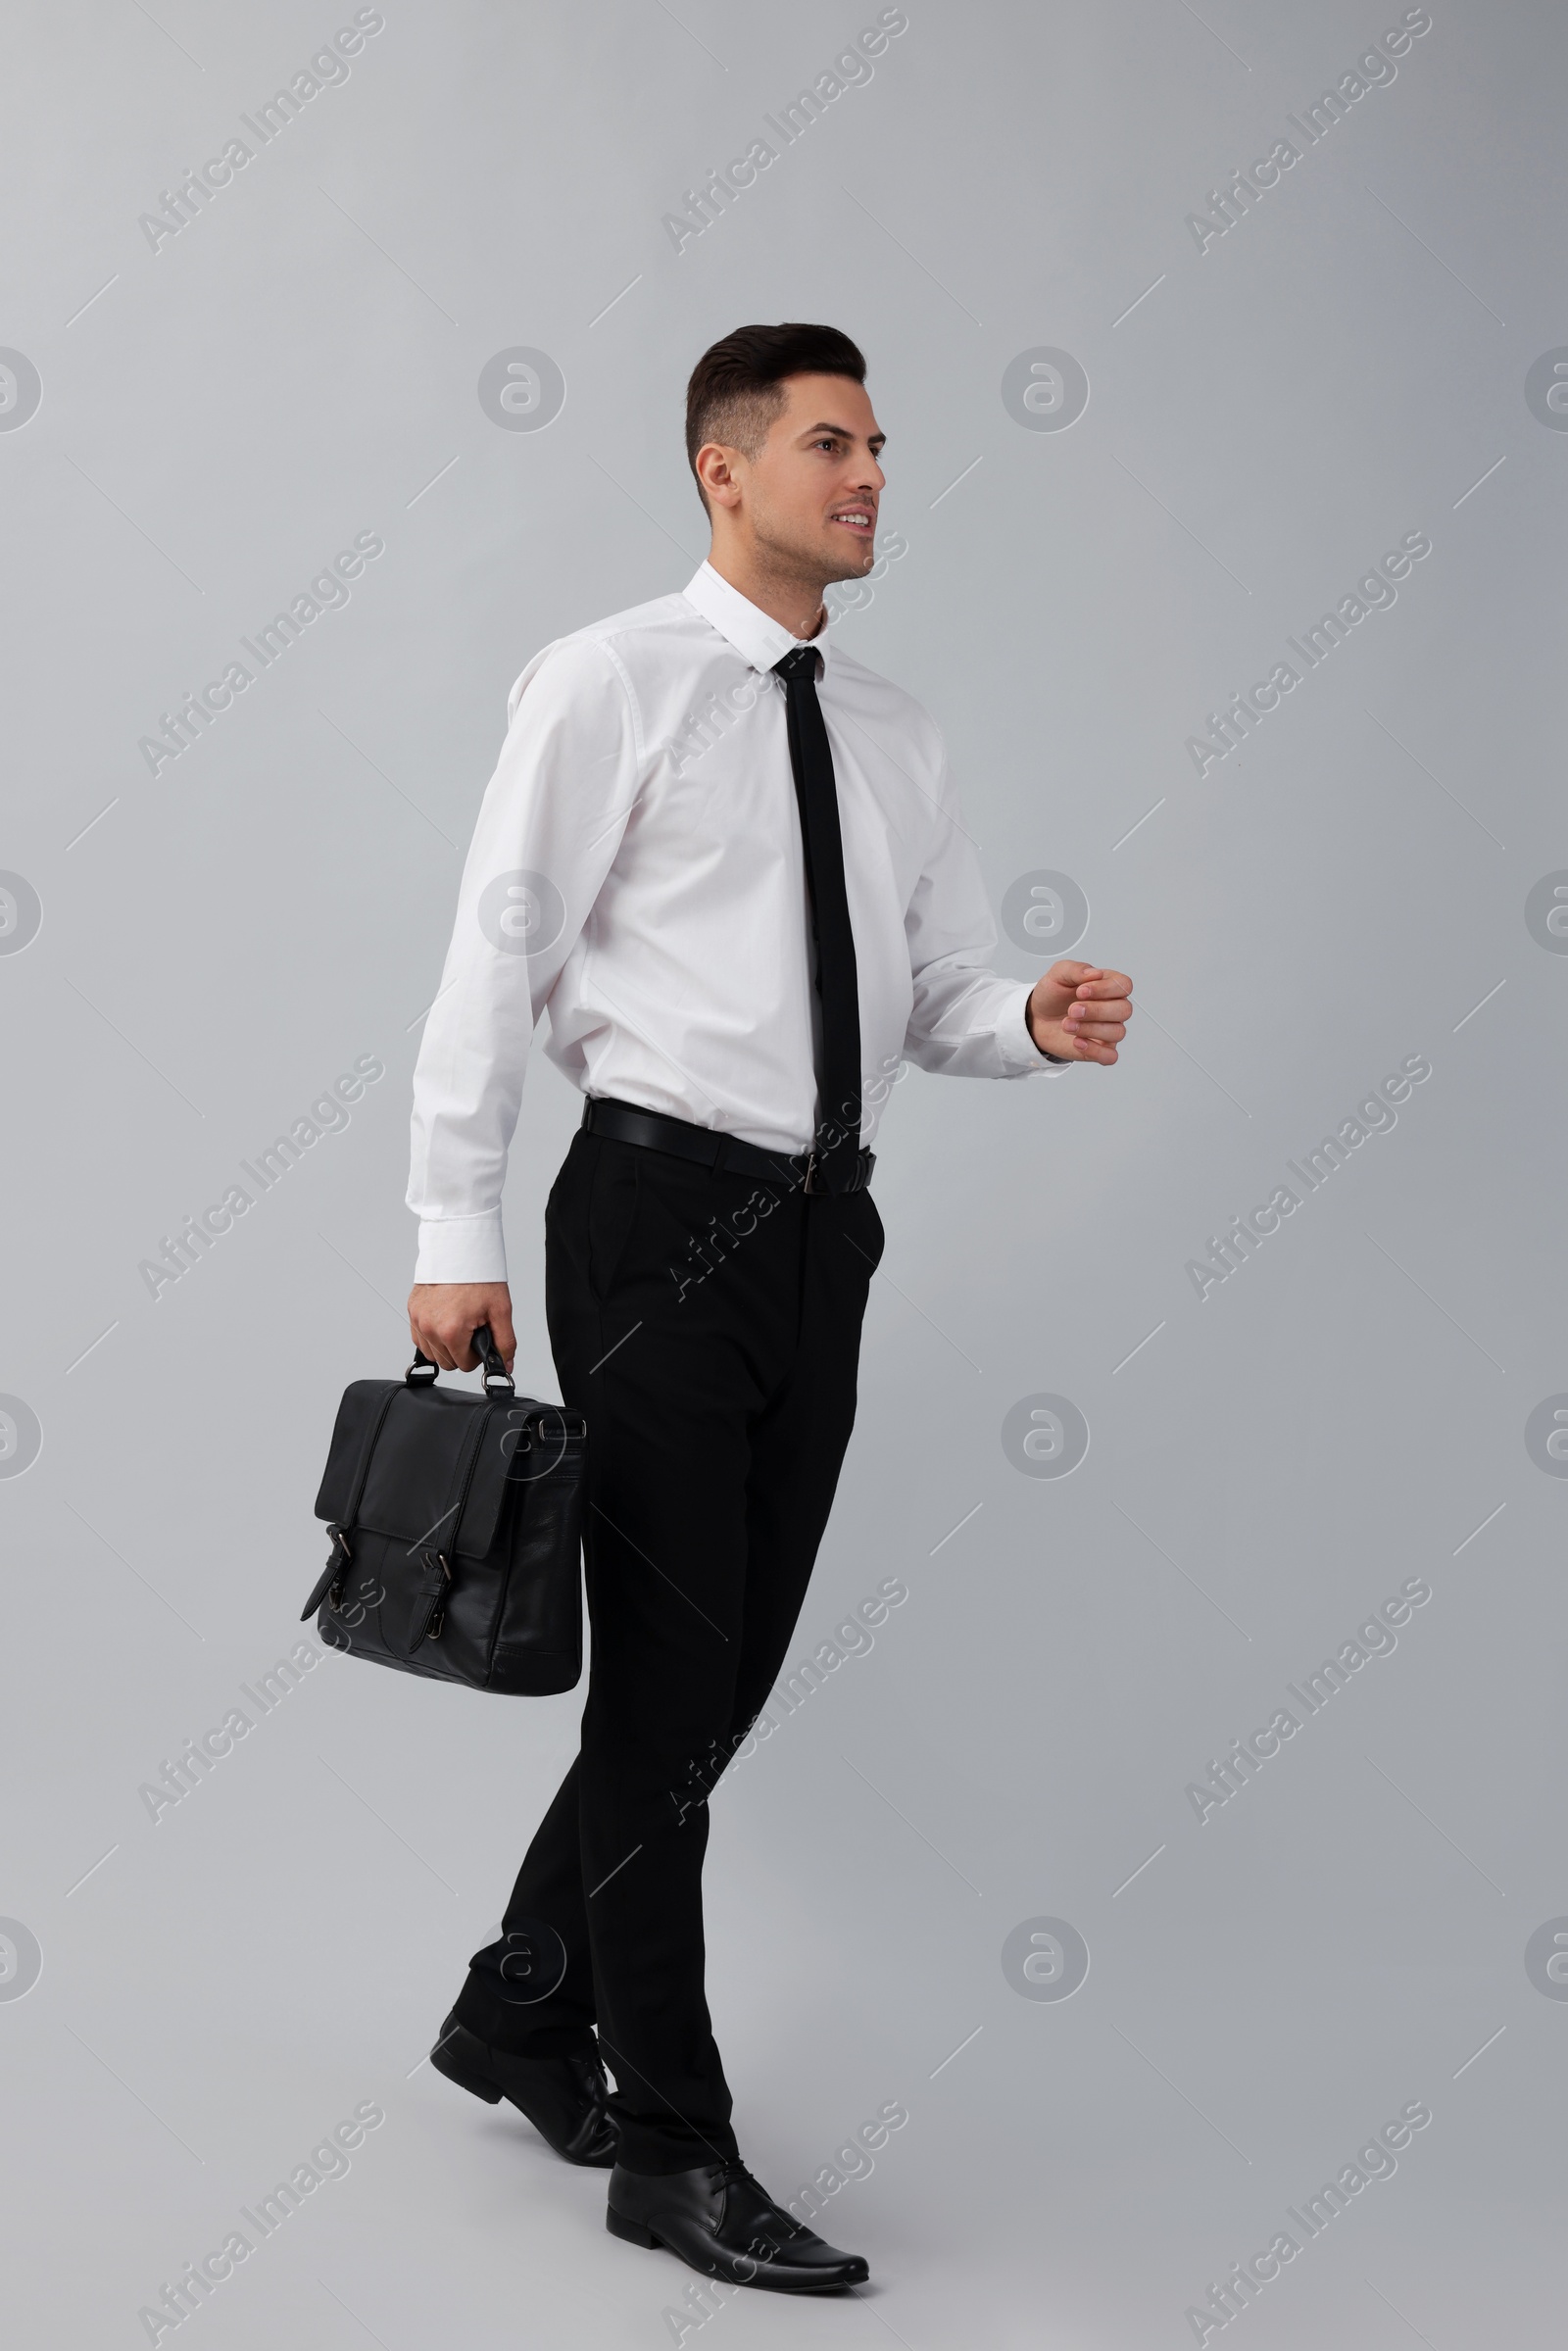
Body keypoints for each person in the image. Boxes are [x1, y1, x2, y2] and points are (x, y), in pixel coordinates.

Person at [405, 321, 1133, 2292]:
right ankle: (672, 2142)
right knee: (661, 1701)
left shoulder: (890, 730)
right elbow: (492, 963)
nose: (871, 473)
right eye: (832, 442)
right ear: (724, 469)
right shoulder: (607, 681)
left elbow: (929, 990)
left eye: (881, 443)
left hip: (822, 1239)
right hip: (649, 1219)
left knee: (702, 1699)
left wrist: (1026, 1024)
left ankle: (520, 2010)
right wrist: (447, 1222)